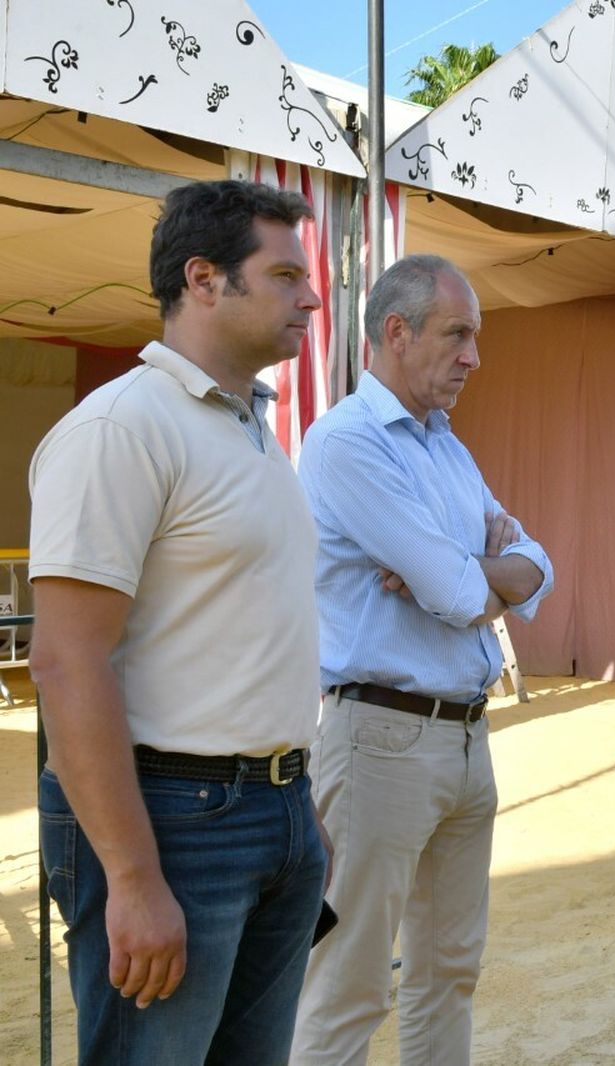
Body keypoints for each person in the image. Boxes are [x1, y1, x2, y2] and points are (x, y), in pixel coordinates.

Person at [29, 180, 328, 1063]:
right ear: (204, 279)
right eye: (283, 275)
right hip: (174, 819)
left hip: (275, 809)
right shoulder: (122, 429)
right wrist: (131, 875)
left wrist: (295, 811)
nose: (310, 296)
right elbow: (65, 661)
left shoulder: (249, 429)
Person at [290, 254, 553, 1065]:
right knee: (349, 984)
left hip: (466, 738)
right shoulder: (344, 444)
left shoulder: (447, 448)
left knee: (449, 974)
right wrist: (475, 570)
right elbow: (457, 588)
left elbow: (536, 568)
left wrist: (482, 571)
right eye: (459, 334)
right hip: (380, 743)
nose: (474, 356)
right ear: (395, 333)